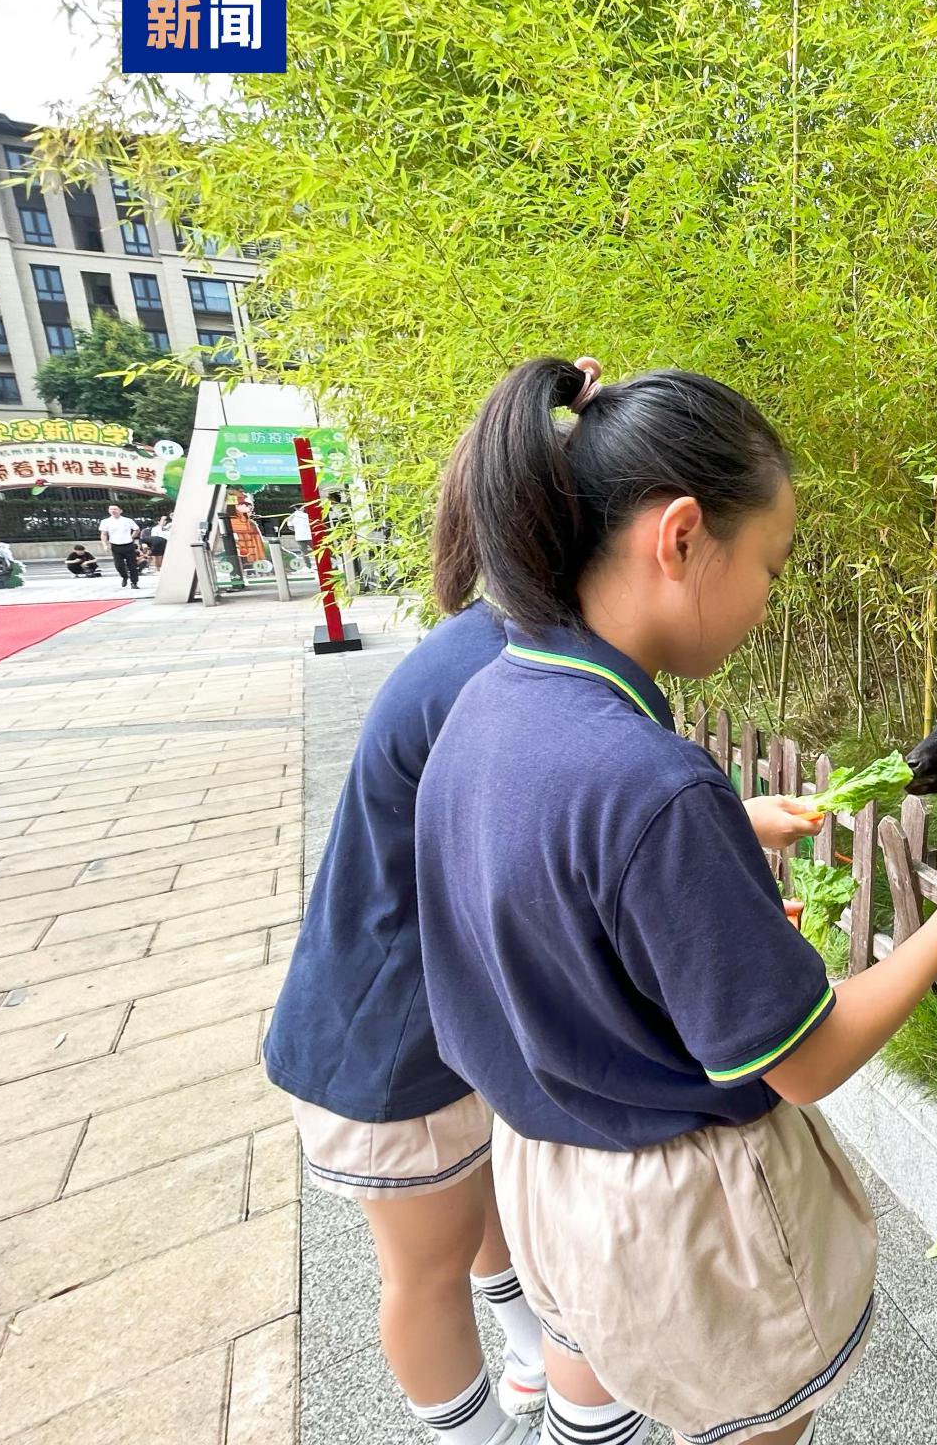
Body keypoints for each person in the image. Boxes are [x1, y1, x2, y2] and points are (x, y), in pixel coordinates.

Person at [414, 359, 937, 1445]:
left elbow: (556, 917)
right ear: (680, 537)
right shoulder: (651, 784)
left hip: (548, 1172)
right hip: (679, 1215)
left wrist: (718, 840)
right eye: (769, 563)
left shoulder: (484, 705)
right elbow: (800, 1059)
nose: (768, 599)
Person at [262, 586, 545, 1443]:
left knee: (477, 1197)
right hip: (387, 1037)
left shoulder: (485, 642)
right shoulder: (500, 673)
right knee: (426, 1270)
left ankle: (530, 1359)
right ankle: (474, 1434)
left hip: (422, 1012)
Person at [99, 504, 142, 587]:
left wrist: (131, 537)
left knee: (132, 565)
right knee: (119, 565)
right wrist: (105, 545)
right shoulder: (105, 521)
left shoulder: (127, 520)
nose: (113, 511)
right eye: (111, 509)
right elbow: (103, 534)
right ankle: (124, 576)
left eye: (115, 509)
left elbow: (137, 529)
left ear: (120, 510)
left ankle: (134, 582)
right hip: (115, 546)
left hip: (128, 545)